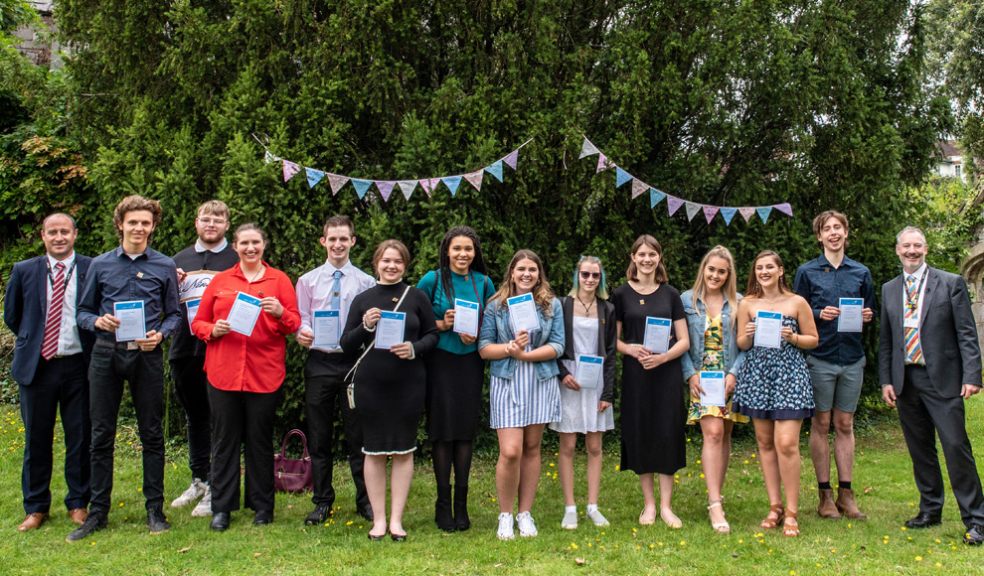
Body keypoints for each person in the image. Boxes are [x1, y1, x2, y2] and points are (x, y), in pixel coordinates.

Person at [70, 195, 181, 541]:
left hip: (146, 355)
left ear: (153, 227)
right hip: (106, 354)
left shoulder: (164, 265)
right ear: (121, 224)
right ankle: (98, 512)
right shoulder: (100, 265)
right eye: (133, 222)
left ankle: (155, 510)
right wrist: (97, 321)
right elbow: (83, 312)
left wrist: (161, 334)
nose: (139, 227)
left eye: (145, 223)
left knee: (151, 433)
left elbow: (176, 314)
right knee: (101, 434)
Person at [190, 223, 300, 531]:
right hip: (223, 373)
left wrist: (279, 312)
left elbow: (293, 323)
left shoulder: (279, 280)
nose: (250, 248)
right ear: (235, 247)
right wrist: (213, 330)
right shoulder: (222, 281)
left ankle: (262, 506)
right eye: (244, 243)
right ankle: (222, 508)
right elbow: (198, 323)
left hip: (264, 373)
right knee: (224, 442)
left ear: (264, 245)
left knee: (259, 441)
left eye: (256, 242)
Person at [879, 226, 984, 545]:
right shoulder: (889, 288)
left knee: (955, 446)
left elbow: (967, 332)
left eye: (917, 245)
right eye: (906, 246)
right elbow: (886, 340)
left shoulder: (950, 283)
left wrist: (972, 375)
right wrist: (886, 379)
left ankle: (977, 519)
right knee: (920, 449)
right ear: (897, 250)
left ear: (925, 249)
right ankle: (930, 509)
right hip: (905, 380)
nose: (912, 250)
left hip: (943, 378)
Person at [340, 239, 438, 541]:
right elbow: (346, 345)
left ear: (405, 266)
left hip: (408, 384)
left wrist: (414, 347)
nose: (391, 266)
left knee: (404, 450)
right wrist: (366, 326)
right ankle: (378, 520)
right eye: (386, 261)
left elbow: (432, 335)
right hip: (372, 385)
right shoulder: (363, 299)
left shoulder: (417, 297)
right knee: (374, 450)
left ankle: (396, 520)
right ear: (376, 264)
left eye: (397, 261)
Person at [4, 213, 93, 532]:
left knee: (80, 438)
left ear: (75, 234)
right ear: (43, 236)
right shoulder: (24, 270)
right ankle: (36, 507)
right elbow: (12, 316)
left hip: (78, 366)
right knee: (36, 439)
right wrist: (34, 341)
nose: (59, 237)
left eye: (64, 232)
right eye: (52, 232)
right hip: (37, 367)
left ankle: (78, 502)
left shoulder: (90, 267)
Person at [793, 210, 875, 520]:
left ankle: (847, 494)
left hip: (852, 358)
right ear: (819, 236)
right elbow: (796, 312)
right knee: (821, 424)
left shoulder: (861, 272)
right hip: (820, 358)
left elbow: (870, 309)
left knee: (844, 424)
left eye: (838, 227)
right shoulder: (807, 271)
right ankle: (824, 495)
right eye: (827, 229)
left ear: (846, 232)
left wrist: (868, 315)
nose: (833, 233)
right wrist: (816, 314)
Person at [295, 215, 376, 526]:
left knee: (358, 435)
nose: (338, 244)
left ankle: (365, 500)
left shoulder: (366, 282)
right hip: (320, 362)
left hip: (355, 364)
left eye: (344, 239)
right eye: (333, 239)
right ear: (323, 242)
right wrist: (301, 331)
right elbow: (300, 317)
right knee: (319, 436)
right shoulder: (307, 280)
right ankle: (322, 501)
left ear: (353, 241)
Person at [479, 249, 564, 540]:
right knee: (510, 450)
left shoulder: (552, 305)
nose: (527, 274)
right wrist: (509, 350)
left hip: (539, 379)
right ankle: (505, 515)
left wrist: (528, 356)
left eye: (532, 269)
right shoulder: (496, 306)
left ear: (540, 273)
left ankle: (524, 513)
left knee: (531, 448)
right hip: (508, 379)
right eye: (521, 269)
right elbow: (484, 347)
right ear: (511, 273)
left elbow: (558, 345)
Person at [733, 250, 818, 538]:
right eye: (759, 268)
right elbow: (742, 344)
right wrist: (750, 331)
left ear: (781, 270)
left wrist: (791, 337)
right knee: (765, 442)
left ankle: (792, 511)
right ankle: (775, 505)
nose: (764, 272)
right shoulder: (748, 303)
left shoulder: (797, 302)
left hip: (790, 377)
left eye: (770, 267)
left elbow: (813, 339)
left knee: (787, 443)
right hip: (759, 377)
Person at [416, 226, 495, 532]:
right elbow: (415, 321)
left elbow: (491, 322)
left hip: (470, 363)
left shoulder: (484, 283)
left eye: (469, 249)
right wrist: (441, 322)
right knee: (442, 433)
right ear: (447, 250)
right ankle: (442, 504)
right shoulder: (432, 279)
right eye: (457, 249)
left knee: (464, 433)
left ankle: (461, 505)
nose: (463, 254)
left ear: (475, 253)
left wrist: (476, 334)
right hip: (440, 363)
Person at [611, 235, 689, 529]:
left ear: (659, 257)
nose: (646, 259)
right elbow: (612, 340)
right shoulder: (620, 295)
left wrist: (664, 358)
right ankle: (649, 505)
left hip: (666, 374)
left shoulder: (671, 295)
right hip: (636, 375)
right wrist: (629, 349)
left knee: (667, 433)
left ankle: (668, 507)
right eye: (641, 254)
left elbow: (684, 341)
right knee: (642, 433)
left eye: (652, 254)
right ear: (633, 257)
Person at [168, 200, 238, 518]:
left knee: (220, 419)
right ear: (196, 222)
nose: (211, 224)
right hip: (185, 348)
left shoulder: (236, 259)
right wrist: (172, 283)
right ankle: (199, 479)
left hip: (223, 349)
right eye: (206, 219)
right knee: (195, 417)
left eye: (218, 219)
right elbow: (163, 305)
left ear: (227, 224)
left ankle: (217, 486)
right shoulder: (177, 260)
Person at [681, 245, 748, 534]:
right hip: (702, 377)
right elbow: (679, 339)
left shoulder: (739, 303)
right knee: (713, 433)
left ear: (728, 274)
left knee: (725, 433)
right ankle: (714, 504)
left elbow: (748, 344)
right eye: (711, 269)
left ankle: (716, 495)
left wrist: (734, 374)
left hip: (728, 378)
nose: (715, 275)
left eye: (722, 271)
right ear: (703, 269)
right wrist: (688, 375)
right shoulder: (686, 300)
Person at [549, 256, 615, 530]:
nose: (590, 280)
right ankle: (570, 507)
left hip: (596, 380)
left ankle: (592, 506)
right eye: (585, 274)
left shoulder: (607, 309)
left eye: (595, 276)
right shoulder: (562, 305)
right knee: (567, 446)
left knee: (595, 446)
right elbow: (552, 343)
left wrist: (608, 393)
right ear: (577, 275)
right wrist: (563, 375)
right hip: (570, 379)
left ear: (601, 279)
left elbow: (610, 352)